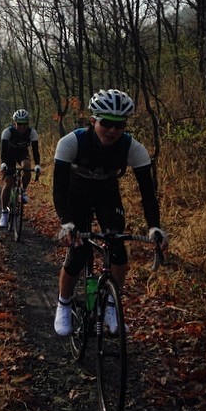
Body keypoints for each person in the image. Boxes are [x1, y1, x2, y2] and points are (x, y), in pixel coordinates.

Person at [52, 89, 169, 335]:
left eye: (120, 125)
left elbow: (148, 193)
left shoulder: (133, 148)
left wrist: (154, 226)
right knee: (79, 253)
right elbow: (59, 190)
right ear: (93, 121)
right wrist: (67, 223)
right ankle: (63, 304)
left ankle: (111, 306)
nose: (113, 130)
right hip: (76, 193)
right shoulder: (71, 142)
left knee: (117, 247)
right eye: (107, 123)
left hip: (107, 192)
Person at [0, 109, 41, 228]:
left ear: (27, 123)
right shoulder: (7, 132)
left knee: (27, 167)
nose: (22, 127)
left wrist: (37, 164)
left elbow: (35, 151)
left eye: (24, 124)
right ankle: (4, 213)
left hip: (22, 154)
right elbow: (3, 152)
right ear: (14, 122)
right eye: (19, 124)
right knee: (8, 182)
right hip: (9, 156)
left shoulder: (32, 132)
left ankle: (22, 190)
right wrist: (3, 163)